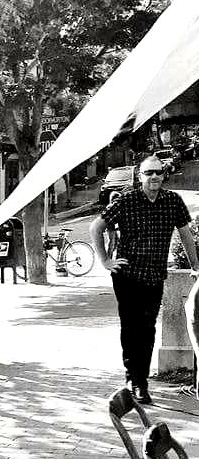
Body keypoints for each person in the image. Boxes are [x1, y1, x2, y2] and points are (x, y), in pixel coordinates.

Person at [90, 155, 198, 405]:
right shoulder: (126, 200)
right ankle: (134, 380)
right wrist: (105, 261)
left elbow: (186, 235)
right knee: (131, 328)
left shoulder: (173, 201)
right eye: (149, 173)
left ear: (163, 175)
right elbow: (96, 227)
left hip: (154, 276)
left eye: (158, 172)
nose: (154, 177)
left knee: (147, 329)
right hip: (127, 277)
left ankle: (141, 380)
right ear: (140, 177)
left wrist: (196, 267)